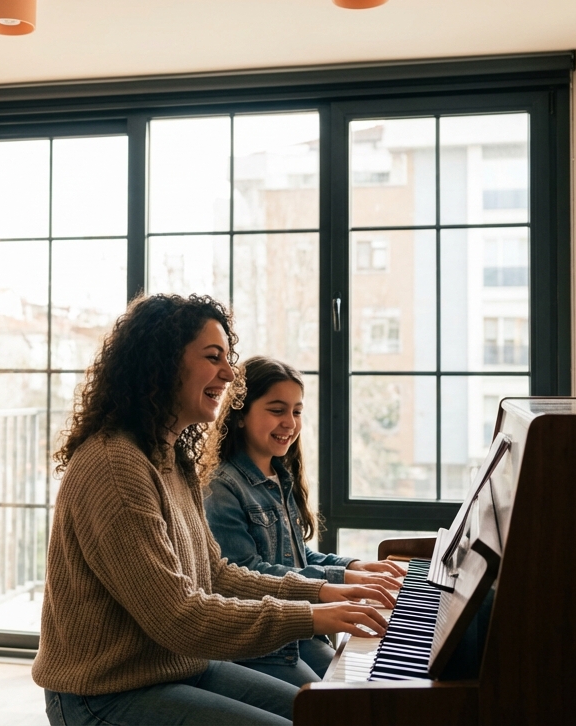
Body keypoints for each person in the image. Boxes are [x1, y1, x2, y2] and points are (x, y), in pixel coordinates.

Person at [33, 295, 391, 726]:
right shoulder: (115, 465)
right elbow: (178, 616)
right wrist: (312, 615)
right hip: (103, 694)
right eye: (213, 357)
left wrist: (323, 591)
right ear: (162, 364)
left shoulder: (173, 458)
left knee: (327, 713)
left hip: (179, 666)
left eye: (228, 358)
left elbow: (216, 574)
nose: (228, 374)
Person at [202, 356, 408, 686]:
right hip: (263, 646)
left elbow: (297, 556)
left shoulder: (280, 476)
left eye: (296, 411)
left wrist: (356, 568)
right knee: (342, 699)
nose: (290, 423)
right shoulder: (222, 486)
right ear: (240, 416)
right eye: (276, 409)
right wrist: (339, 584)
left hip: (300, 632)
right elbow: (245, 573)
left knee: (363, 684)